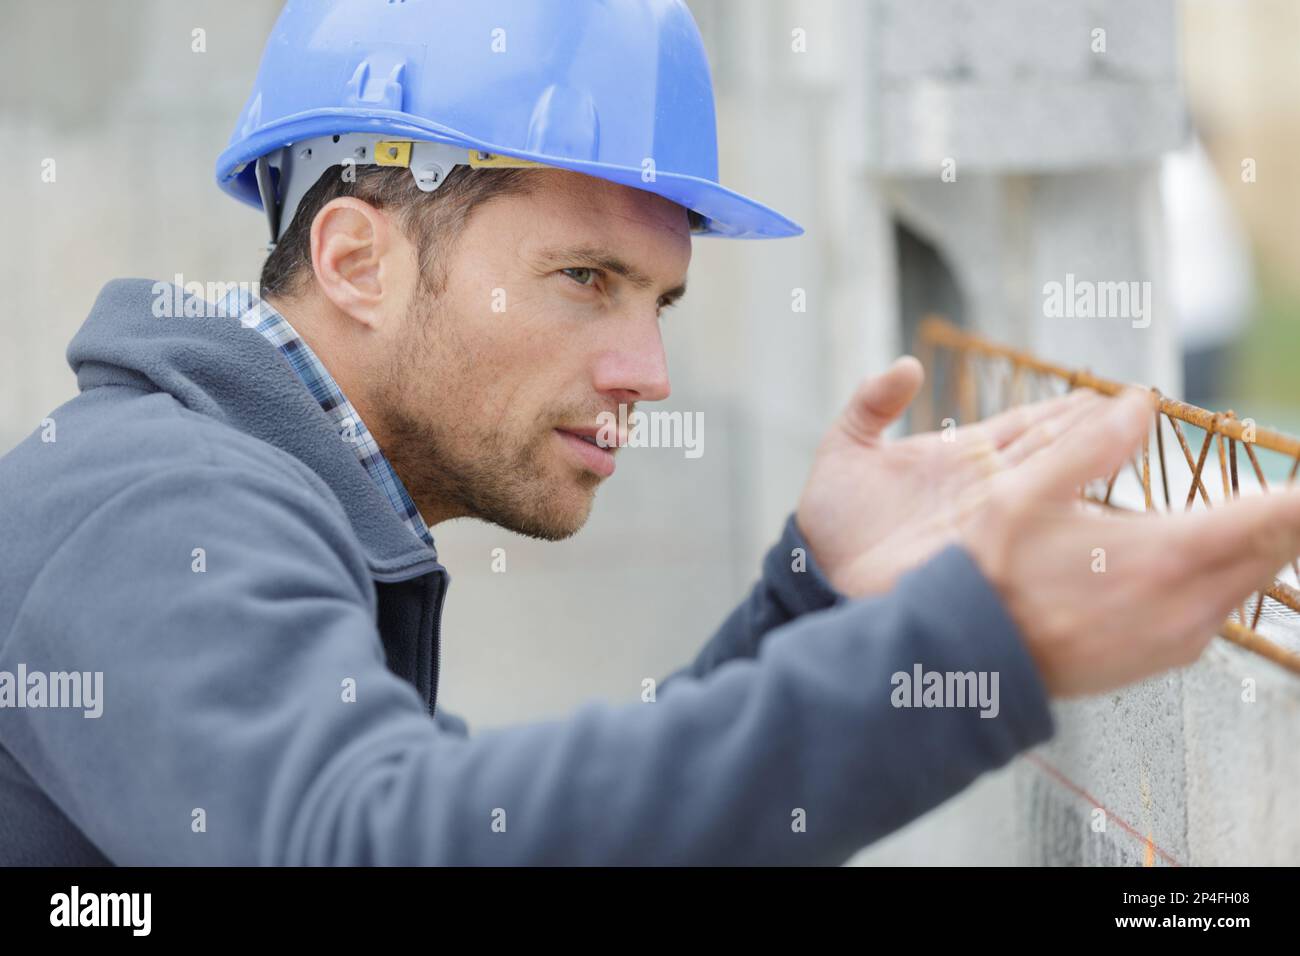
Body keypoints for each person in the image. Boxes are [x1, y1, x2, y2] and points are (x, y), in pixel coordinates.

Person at [1, 0, 1297, 866]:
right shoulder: (152, 507)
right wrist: (959, 657)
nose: (649, 372)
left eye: (661, 300)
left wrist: (816, 607)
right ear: (356, 260)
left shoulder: (263, 496)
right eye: (585, 280)